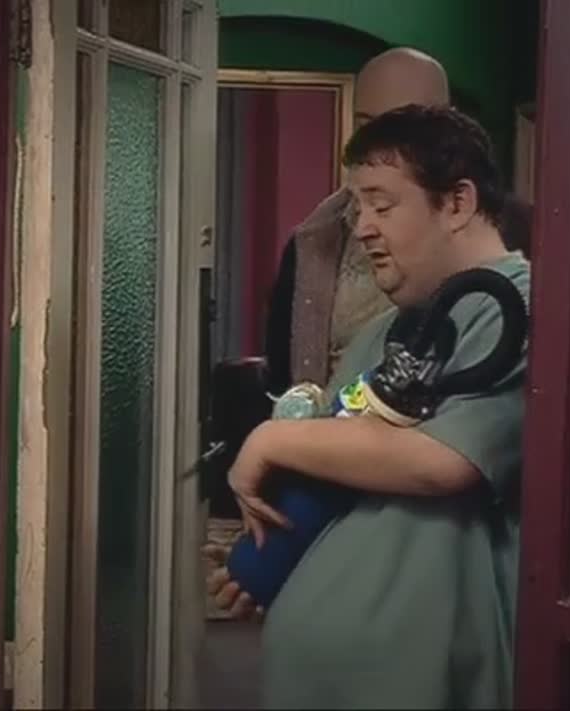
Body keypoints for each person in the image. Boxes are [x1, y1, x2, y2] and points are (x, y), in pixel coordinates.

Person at [218, 105, 529, 708]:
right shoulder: (386, 331)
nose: (362, 228)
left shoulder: (513, 310)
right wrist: (274, 556)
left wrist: (270, 441)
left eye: (382, 206)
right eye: (359, 208)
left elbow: (444, 463)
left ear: (457, 202)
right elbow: (338, 466)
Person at [263, 47, 451, 396]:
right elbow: (281, 377)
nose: (378, 146)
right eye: (367, 125)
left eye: (398, 127)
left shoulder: (502, 238)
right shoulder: (315, 241)